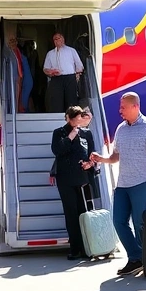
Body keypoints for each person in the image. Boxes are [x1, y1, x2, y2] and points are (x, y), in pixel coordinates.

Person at [90, 92, 146, 276]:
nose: (120, 110)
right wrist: (102, 159)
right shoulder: (120, 129)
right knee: (118, 221)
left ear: (135, 107)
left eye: (123, 107)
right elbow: (116, 156)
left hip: (142, 181)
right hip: (123, 183)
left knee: (141, 223)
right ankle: (136, 257)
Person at [51, 106, 97, 260]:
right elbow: (57, 151)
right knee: (71, 214)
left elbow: (93, 154)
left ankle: (88, 247)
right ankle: (75, 248)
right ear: (68, 119)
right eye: (75, 120)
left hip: (83, 179)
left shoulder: (87, 133)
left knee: (85, 212)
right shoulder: (59, 133)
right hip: (65, 179)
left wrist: (90, 164)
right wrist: (71, 136)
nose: (78, 123)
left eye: (80, 120)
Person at [43, 32, 84, 113]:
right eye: (55, 39)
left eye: (59, 38)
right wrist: (50, 72)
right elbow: (45, 68)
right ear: (53, 41)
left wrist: (77, 74)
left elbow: (79, 65)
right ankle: (57, 120)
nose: (57, 40)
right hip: (56, 79)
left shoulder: (71, 51)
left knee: (71, 100)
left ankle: (72, 120)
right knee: (56, 101)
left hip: (70, 78)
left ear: (63, 39)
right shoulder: (50, 53)